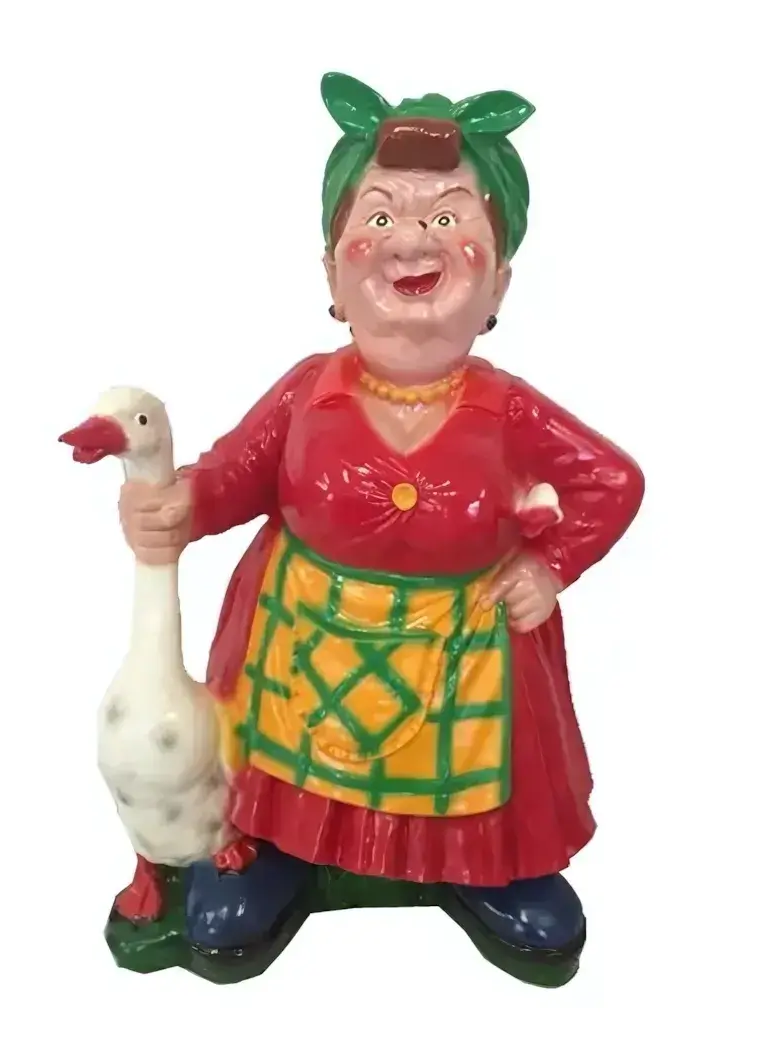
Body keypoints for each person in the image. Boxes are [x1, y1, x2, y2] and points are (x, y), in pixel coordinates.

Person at [117, 72, 644, 979]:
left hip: (466, 650)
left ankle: (485, 867)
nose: (410, 241)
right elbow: (237, 472)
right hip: (304, 641)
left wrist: (551, 564)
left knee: (477, 780)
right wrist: (183, 504)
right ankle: (279, 850)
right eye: (381, 215)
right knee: (284, 770)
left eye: (447, 218)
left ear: (498, 282)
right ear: (333, 271)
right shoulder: (307, 390)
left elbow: (613, 481)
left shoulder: (511, 411)